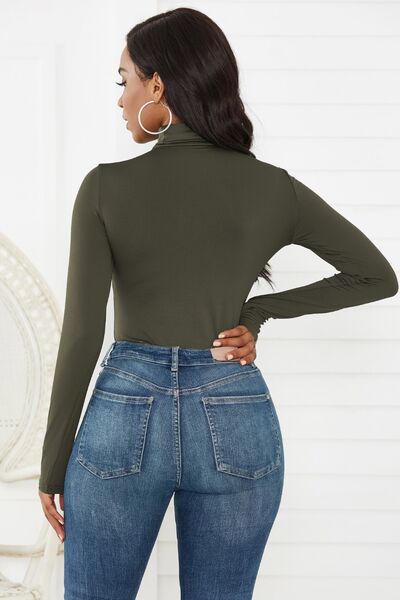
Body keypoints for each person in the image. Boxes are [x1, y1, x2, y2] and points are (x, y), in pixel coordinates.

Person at [38, 7, 398, 600]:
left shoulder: (104, 187)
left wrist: (53, 466)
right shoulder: (272, 186)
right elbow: (377, 276)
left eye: (124, 80)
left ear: (157, 86)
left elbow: (81, 335)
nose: (121, 98)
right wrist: (257, 312)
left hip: (125, 415)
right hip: (232, 411)